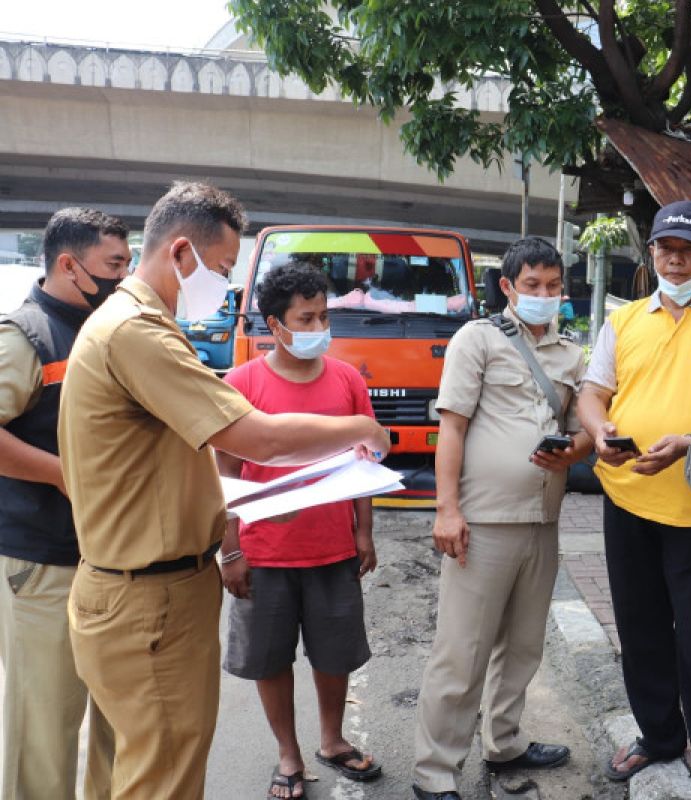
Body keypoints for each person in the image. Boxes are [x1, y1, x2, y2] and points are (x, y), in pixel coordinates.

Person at [58, 181, 391, 800]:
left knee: (142, 766)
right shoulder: (139, 333)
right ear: (180, 254)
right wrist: (362, 428)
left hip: (144, 587)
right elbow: (255, 439)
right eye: (219, 269)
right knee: (163, 776)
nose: (224, 285)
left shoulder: (131, 325)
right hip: (146, 599)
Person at [578, 201, 691, 800]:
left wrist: (688, 443)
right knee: (641, 628)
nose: (675, 257)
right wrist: (600, 430)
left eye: (687, 248)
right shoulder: (624, 320)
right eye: (664, 247)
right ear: (651, 252)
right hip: (626, 496)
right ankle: (659, 736)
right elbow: (592, 391)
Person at [412, 237, 591, 800]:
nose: (544, 295)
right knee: (462, 651)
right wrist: (447, 510)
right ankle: (435, 772)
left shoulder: (571, 353)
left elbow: (585, 426)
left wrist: (578, 449)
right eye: (532, 285)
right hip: (483, 522)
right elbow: (453, 428)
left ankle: (505, 742)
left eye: (553, 286)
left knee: (523, 645)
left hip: (542, 519)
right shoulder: (478, 339)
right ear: (509, 287)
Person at [216, 263, 382, 799]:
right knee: (271, 657)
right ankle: (288, 753)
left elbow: (364, 464)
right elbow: (223, 475)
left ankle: (332, 741)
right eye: (305, 317)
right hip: (264, 554)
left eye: (323, 315)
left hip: (332, 549)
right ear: (275, 324)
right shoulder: (240, 384)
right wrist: (230, 550)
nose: (318, 326)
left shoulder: (347, 380)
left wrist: (364, 532)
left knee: (335, 654)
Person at [0, 208, 125, 800]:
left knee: (118, 724)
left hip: (110, 560)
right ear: (69, 265)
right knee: (46, 728)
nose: (124, 277)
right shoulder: (24, 335)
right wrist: (63, 476)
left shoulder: (105, 330)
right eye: (114, 265)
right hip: (43, 563)